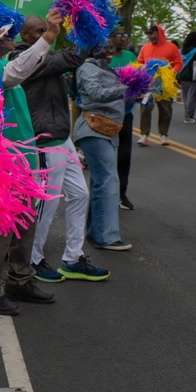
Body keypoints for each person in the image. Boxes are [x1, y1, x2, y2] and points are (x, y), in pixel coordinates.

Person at [0, 8, 71, 315]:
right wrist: (50, 37)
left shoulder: (0, 60)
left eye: (8, 32)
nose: (6, 36)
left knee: (24, 223)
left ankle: (19, 279)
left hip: (23, 158)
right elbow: (12, 75)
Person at [6, 16, 107, 282]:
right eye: (38, 31)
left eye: (45, 30)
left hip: (63, 139)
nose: (45, 34)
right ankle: (33, 260)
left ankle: (72, 259)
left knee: (80, 195)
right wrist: (88, 25)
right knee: (45, 206)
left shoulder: (44, 57)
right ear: (25, 37)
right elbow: (72, 57)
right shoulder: (24, 58)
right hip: (45, 141)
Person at [74, 43, 131, 252]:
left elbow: (114, 97)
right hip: (93, 129)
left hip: (106, 131)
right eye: (103, 47)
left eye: (111, 47)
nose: (110, 50)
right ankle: (105, 237)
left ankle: (96, 233)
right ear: (91, 48)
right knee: (108, 181)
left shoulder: (106, 69)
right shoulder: (87, 68)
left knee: (102, 182)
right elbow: (96, 94)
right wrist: (127, 86)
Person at [136, 24, 183, 146]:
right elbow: (139, 61)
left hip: (164, 85)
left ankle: (163, 135)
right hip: (148, 84)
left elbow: (178, 63)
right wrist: (141, 68)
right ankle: (144, 135)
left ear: (159, 33)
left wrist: (171, 73)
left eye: (152, 33)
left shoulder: (171, 47)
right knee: (145, 108)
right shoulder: (145, 48)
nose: (150, 36)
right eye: (148, 34)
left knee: (166, 110)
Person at [108, 27, 138, 210]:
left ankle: (122, 194)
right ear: (110, 38)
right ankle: (107, 194)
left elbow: (137, 80)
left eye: (124, 34)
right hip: (107, 115)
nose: (122, 38)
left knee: (124, 156)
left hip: (126, 113)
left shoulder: (130, 56)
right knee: (108, 157)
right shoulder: (105, 57)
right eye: (118, 35)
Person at [179, 31, 196, 124]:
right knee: (192, 96)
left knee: (185, 96)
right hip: (192, 75)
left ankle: (187, 114)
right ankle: (189, 116)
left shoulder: (181, 50)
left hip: (182, 75)